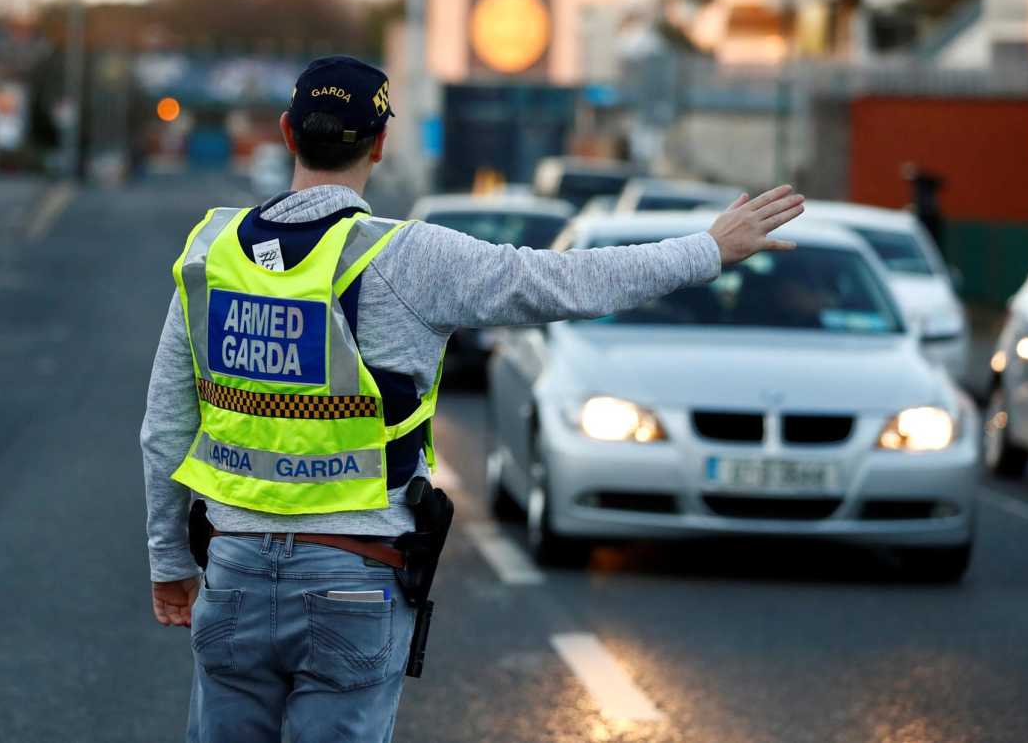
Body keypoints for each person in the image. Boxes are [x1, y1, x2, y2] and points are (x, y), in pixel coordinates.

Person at [140, 55, 805, 743]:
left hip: (235, 573)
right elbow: (566, 282)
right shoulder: (409, 259)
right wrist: (706, 250)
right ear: (379, 143)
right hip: (354, 578)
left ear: (286, 133)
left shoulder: (212, 253)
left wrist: (169, 563)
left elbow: (163, 430)